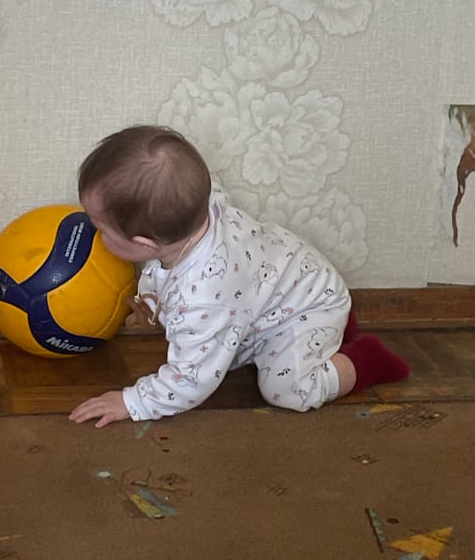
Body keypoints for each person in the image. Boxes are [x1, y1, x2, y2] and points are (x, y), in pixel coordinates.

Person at [69, 125, 409, 428]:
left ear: (145, 243)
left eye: (102, 230)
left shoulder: (202, 296)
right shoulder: (202, 204)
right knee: (234, 348)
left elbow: (191, 379)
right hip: (288, 281)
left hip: (306, 304)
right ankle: (330, 333)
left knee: (286, 391)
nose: (96, 237)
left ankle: (363, 358)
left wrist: (132, 401)